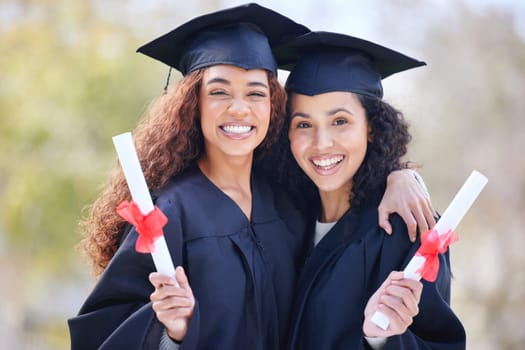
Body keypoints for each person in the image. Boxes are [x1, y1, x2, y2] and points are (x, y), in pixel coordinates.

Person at [67, 4, 436, 350]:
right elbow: (103, 332)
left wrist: (399, 175)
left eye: (256, 93)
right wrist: (172, 334)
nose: (239, 108)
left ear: (273, 104)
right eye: (219, 91)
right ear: (192, 103)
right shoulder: (169, 213)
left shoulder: (290, 199)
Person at [270, 31, 466, 349]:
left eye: (340, 121)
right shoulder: (278, 215)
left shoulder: (409, 229)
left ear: (371, 128)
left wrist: (381, 338)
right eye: (303, 124)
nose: (321, 144)